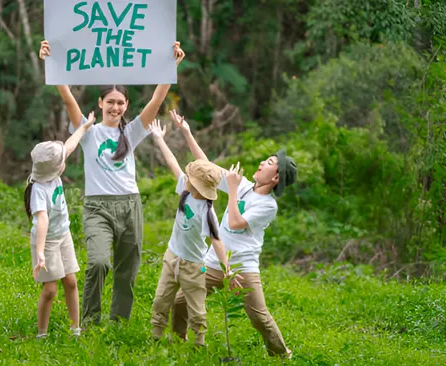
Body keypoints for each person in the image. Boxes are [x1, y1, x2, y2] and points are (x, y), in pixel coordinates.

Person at [38, 40, 186, 324]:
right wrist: (51, 62)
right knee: (98, 262)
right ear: (100, 103)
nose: (115, 107)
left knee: (127, 269)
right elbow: (68, 99)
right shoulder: (88, 131)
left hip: (130, 205)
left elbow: (156, 102)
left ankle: (119, 322)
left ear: (126, 105)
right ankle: (91, 321)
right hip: (97, 207)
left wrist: (170, 67)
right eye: (110, 102)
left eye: (120, 103)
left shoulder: (131, 132)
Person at [169, 110, 296, 358]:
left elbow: (237, 222)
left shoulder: (268, 205)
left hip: (242, 269)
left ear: (276, 178)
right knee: (180, 301)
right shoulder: (246, 185)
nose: (262, 163)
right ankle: (179, 342)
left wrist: (234, 188)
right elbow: (208, 168)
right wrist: (187, 133)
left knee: (259, 317)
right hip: (213, 263)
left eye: (269, 163)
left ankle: (282, 354)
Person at [146, 120, 229, 346]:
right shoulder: (185, 189)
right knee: (161, 299)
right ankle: (155, 337)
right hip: (172, 257)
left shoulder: (207, 212)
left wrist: (226, 267)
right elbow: (172, 162)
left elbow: (217, 241)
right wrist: (159, 138)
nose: (186, 178)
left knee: (196, 307)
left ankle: (199, 342)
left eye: (190, 178)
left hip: (194, 265)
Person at [24, 112, 96, 339]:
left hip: (63, 234)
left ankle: (75, 330)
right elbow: (42, 220)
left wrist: (84, 127)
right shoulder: (38, 189)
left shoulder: (51, 172)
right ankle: (42, 333)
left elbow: (69, 145)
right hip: (46, 241)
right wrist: (40, 252)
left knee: (71, 281)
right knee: (50, 289)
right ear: (55, 168)